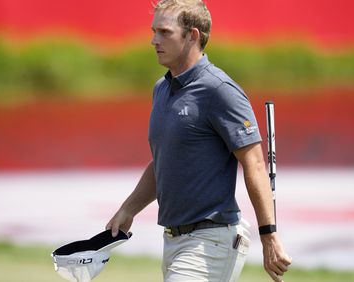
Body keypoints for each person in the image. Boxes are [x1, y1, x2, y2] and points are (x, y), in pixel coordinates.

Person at [106, 0, 292, 281]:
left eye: (164, 32)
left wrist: (269, 236)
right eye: (154, 31)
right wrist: (128, 209)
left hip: (212, 242)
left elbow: (254, 164)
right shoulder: (162, 88)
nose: (154, 40)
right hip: (173, 241)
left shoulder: (219, 90)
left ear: (192, 35)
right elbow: (164, 163)